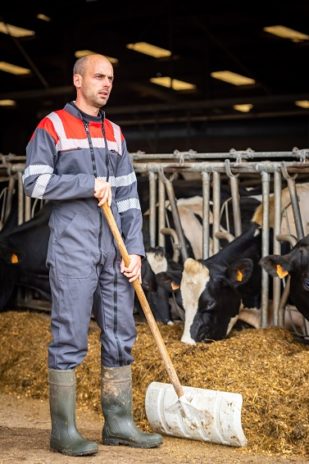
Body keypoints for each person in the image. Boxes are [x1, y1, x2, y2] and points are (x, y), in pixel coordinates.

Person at [23, 54, 162, 456]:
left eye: (111, 79)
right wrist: (87, 183)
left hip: (115, 249)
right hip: (73, 248)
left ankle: (118, 424)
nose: (106, 84)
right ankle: (63, 431)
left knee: (121, 334)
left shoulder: (115, 133)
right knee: (69, 335)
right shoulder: (53, 126)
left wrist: (135, 250)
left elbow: (129, 196)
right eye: (99, 77)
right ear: (77, 80)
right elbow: (34, 181)